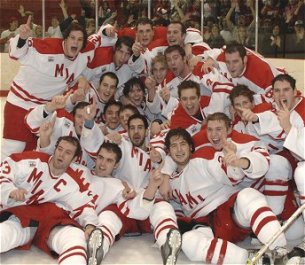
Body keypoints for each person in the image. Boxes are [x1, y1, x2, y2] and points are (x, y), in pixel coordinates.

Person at [160, 124, 293, 264]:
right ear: (168, 151)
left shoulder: (203, 159)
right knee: (188, 242)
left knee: (248, 195)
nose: (179, 149)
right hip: (208, 227)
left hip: (229, 213)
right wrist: (162, 178)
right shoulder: (168, 182)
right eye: (174, 146)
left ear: (191, 147)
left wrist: (234, 163)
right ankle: (251, 260)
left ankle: (280, 251)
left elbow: (231, 174)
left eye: (183, 144)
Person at [1, 15, 117, 161]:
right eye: (72, 38)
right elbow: (16, 53)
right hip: (21, 101)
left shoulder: (86, 50)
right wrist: (23, 37)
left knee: (37, 150)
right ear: (65, 39)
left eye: (80, 39)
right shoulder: (46, 47)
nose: (76, 42)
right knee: (13, 148)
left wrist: (108, 30)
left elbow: (100, 36)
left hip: (48, 107)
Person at [0, 136, 102, 265]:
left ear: (74, 159)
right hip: (21, 218)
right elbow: (4, 170)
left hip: (51, 222)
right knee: (4, 235)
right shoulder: (33, 160)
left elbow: (85, 206)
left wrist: (90, 225)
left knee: (75, 237)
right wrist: (10, 190)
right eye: (60, 149)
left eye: (68, 152)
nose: (61, 154)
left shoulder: (74, 182)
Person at [87, 142, 182, 265]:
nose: (102, 164)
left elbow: (137, 211)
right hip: (94, 220)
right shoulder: (82, 172)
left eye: (109, 160)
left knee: (162, 206)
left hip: (132, 218)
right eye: (100, 158)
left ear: (116, 165)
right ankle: (98, 244)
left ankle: (167, 240)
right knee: (107, 215)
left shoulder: (119, 186)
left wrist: (152, 186)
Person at [25, 96, 96, 169]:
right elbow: (31, 122)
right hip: (38, 170)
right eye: (79, 116)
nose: (83, 121)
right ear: (73, 117)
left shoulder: (93, 144)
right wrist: (50, 108)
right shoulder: (61, 122)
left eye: (87, 118)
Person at [203, 42, 285, 102]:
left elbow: (273, 99)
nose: (231, 67)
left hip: (280, 82)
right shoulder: (227, 55)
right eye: (228, 62)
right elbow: (223, 48)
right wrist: (210, 59)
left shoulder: (262, 73)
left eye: (235, 62)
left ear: (245, 60)